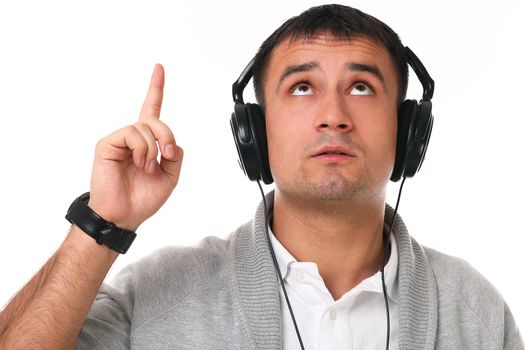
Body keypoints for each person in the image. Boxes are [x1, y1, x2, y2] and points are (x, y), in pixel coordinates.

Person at [0, 4, 523, 350]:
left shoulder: (475, 312)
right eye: (301, 88)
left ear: (409, 130)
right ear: (254, 131)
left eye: (361, 87)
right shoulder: (156, 294)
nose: (332, 115)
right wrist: (101, 222)